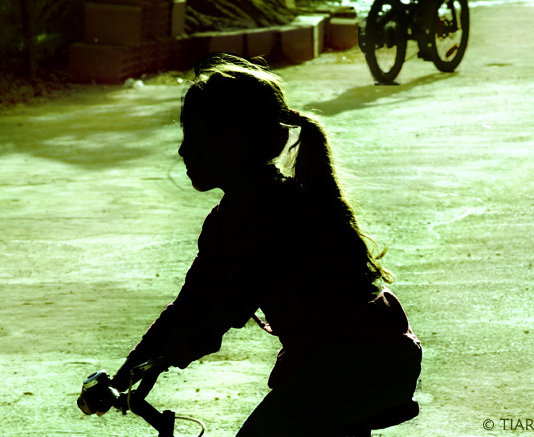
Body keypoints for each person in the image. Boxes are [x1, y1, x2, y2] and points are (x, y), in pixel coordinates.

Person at [87, 53, 422, 436]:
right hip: (329, 361)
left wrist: (195, 339)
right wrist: (124, 375)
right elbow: (190, 303)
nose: (182, 151)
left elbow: (235, 298)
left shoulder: (279, 209)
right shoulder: (225, 220)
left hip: (364, 359)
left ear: (232, 139)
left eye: (194, 137)